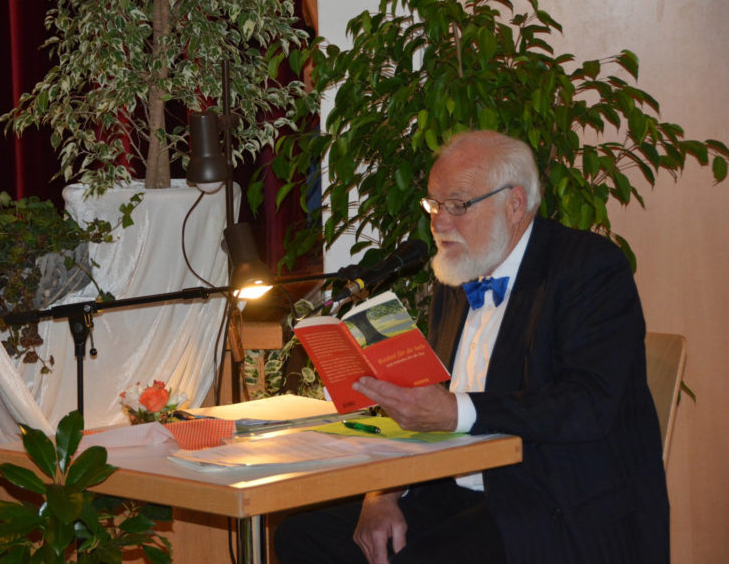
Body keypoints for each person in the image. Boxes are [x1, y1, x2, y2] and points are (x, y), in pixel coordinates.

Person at [274, 130, 669, 564]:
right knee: (304, 536)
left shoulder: (588, 267)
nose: (439, 223)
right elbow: (427, 407)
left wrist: (455, 412)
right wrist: (382, 492)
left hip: (554, 500)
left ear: (514, 204)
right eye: (434, 205)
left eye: (458, 205)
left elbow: (588, 404)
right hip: (455, 486)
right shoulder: (457, 275)